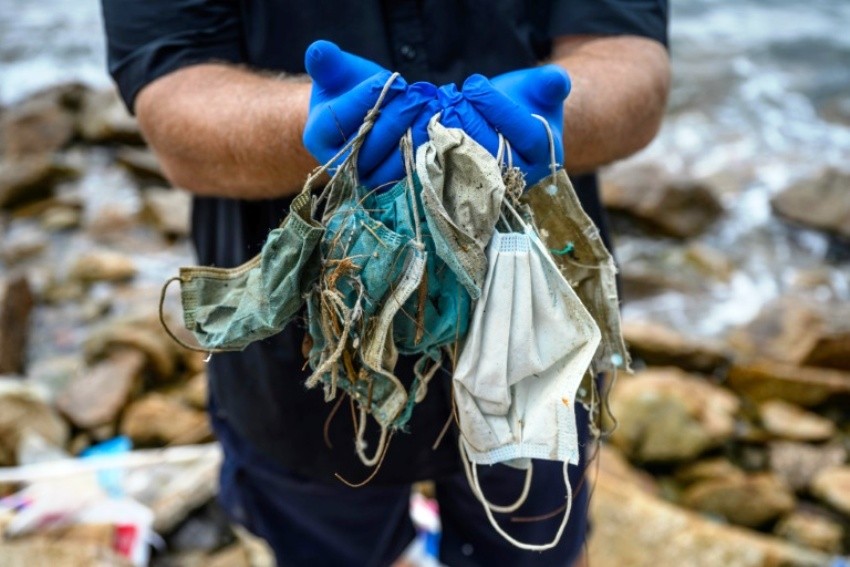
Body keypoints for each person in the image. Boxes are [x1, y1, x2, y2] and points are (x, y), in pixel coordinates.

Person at [101, 2, 669, 566]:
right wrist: (303, 128)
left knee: (534, 547)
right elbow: (173, 92)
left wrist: (568, 111)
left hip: (535, 336)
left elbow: (629, 57)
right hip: (301, 366)